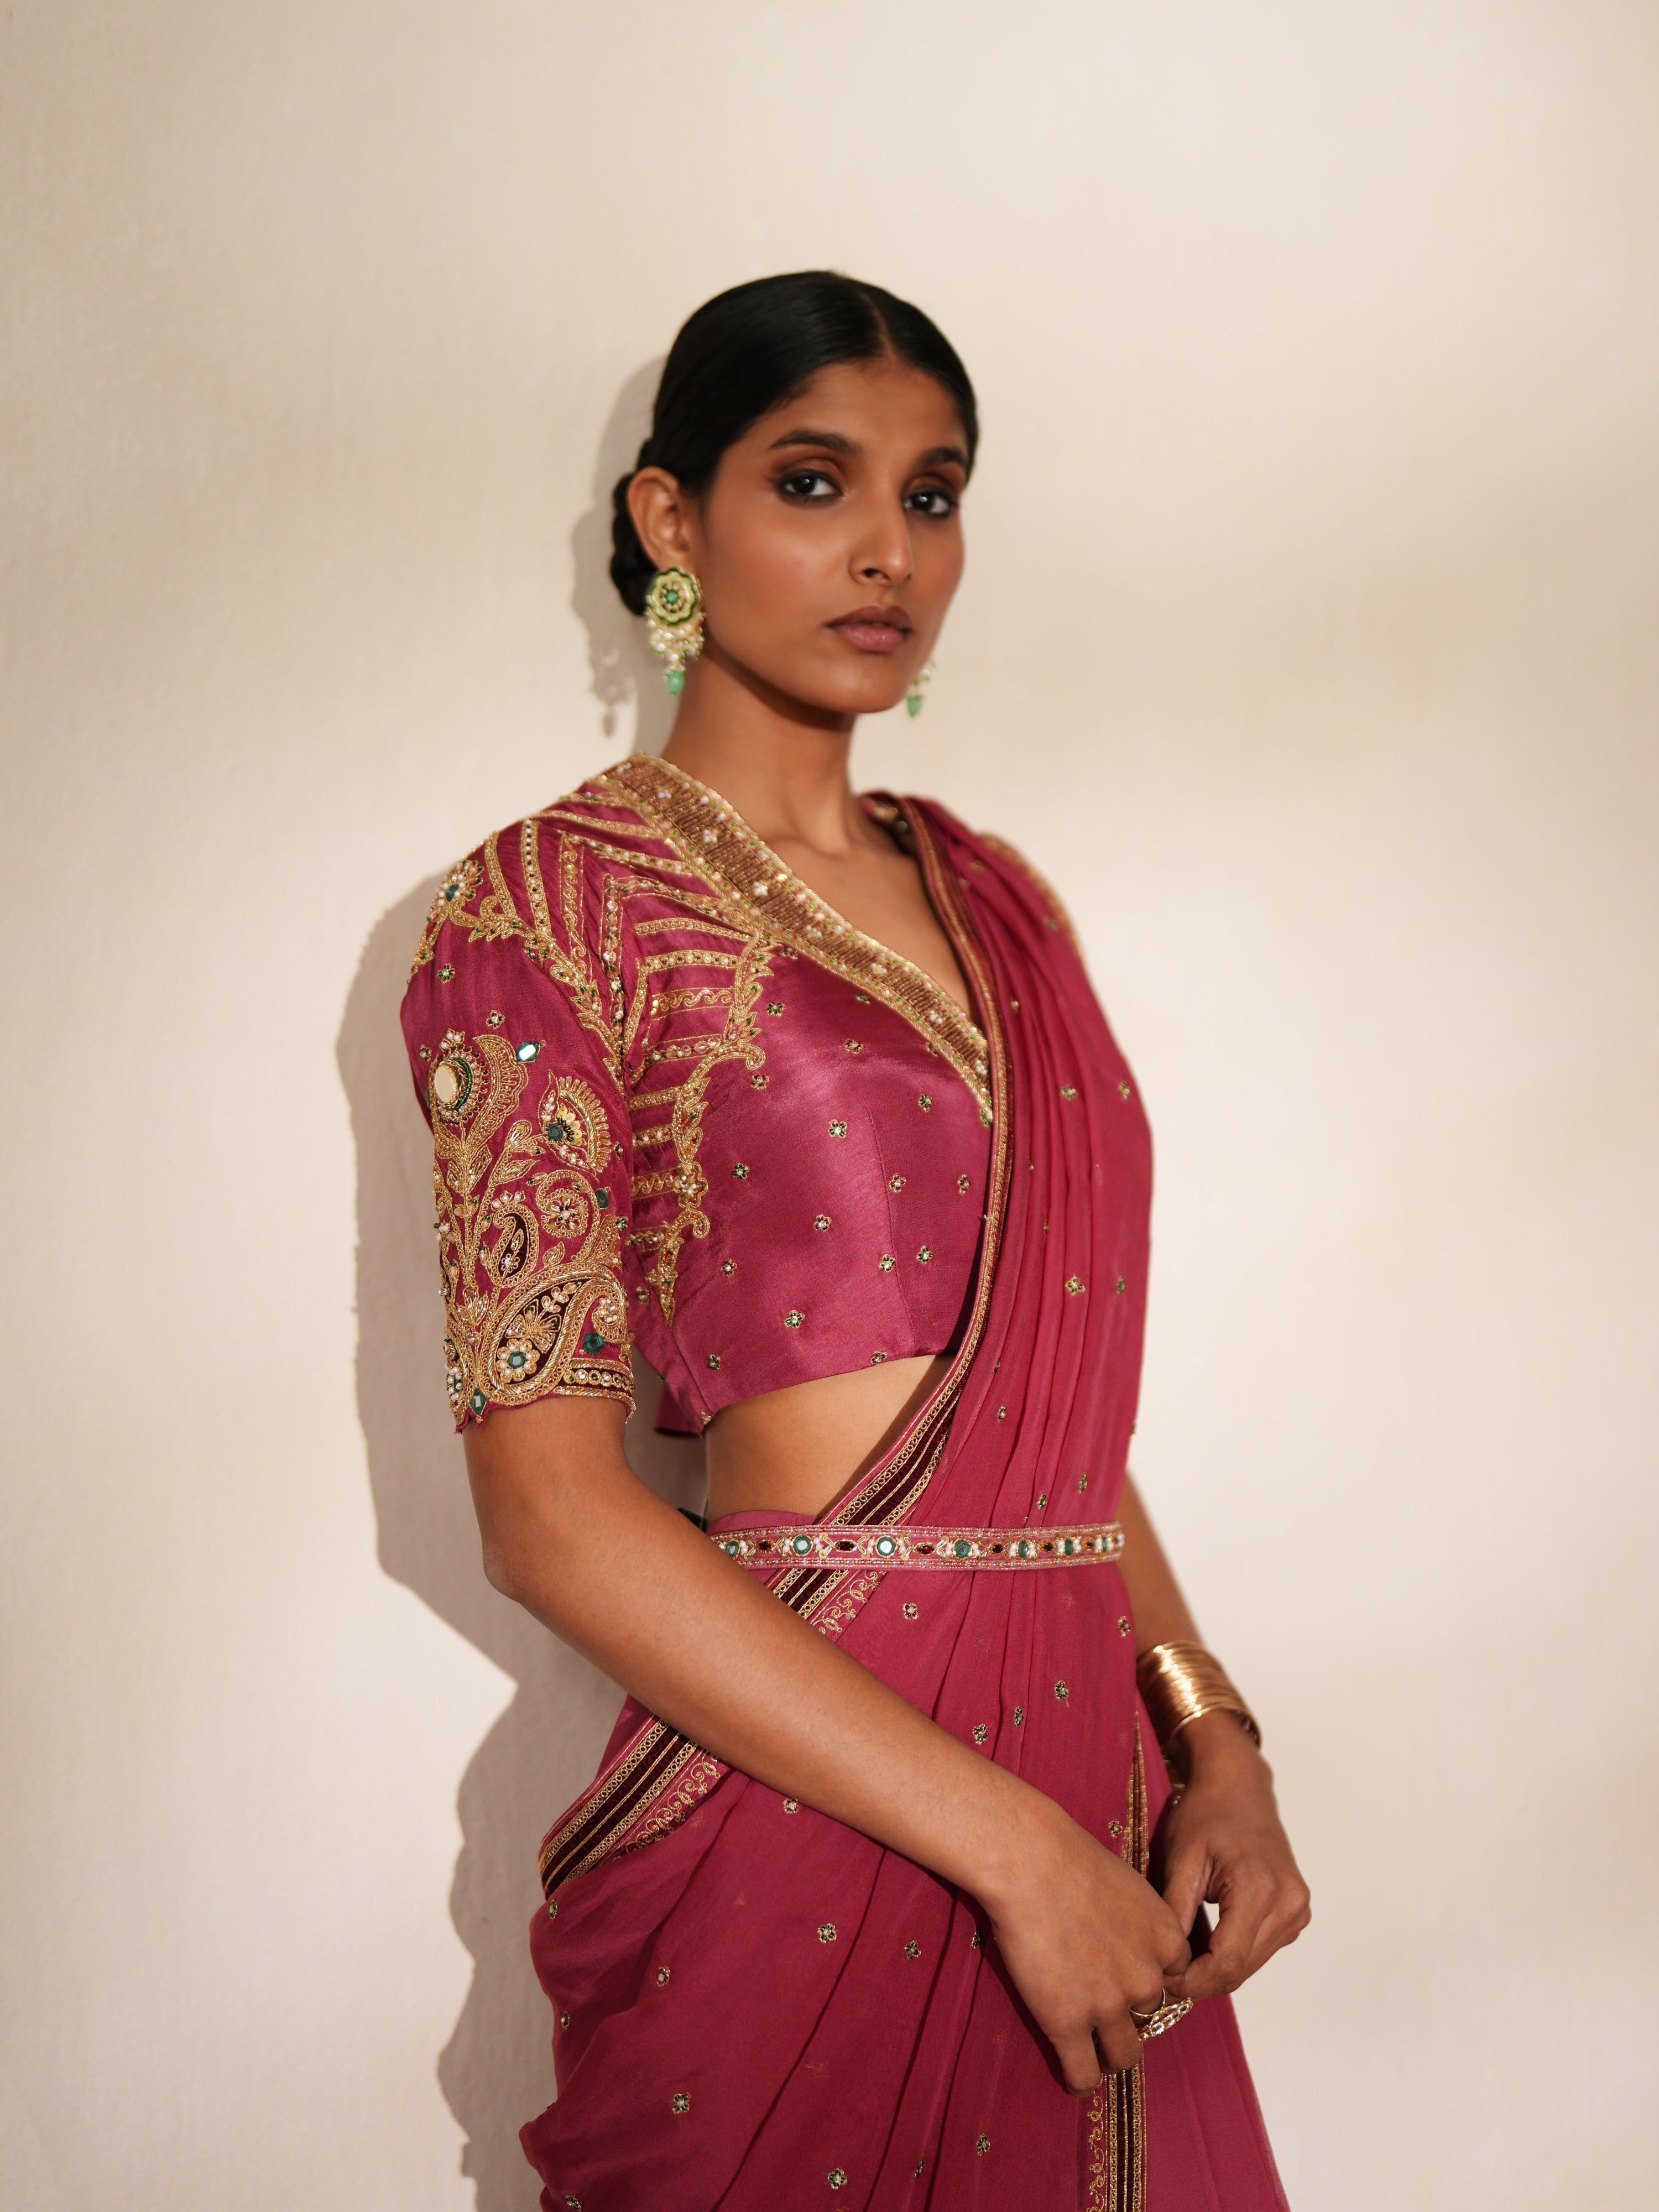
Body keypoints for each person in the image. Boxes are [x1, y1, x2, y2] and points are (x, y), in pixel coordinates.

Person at [401, 271, 1310, 2211]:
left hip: (1103, 1799)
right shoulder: (546, 910)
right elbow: (550, 1513)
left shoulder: (1007, 905)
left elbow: (1041, 1420)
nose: (889, 550)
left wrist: (1209, 1731)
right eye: (815, 481)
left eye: (937, 489)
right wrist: (1013, 1852)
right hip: (820, 1804)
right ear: (671, 521)